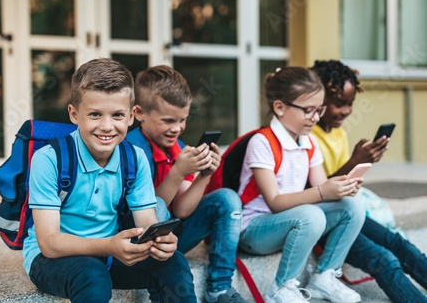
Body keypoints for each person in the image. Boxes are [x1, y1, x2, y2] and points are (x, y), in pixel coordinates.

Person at [22, 58, 197, 303]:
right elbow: (50, 243)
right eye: (95, 114)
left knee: (173, 260)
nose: (106, 126)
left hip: (111, 250)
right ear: (74, 114)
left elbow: (147, 223)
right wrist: (109, 246)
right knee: (92, 274)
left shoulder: (134, 159)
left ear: (131, 116)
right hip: (52, 259)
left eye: (117, 115)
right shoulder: (49, 159)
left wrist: (162, 242)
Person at [237, 66, 366, 303]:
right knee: (311, 215)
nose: (316, 117)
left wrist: (341, 189)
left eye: (320, 110)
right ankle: (280, 288)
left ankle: (324, 277)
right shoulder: (262, 142)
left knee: (352, 207)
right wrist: (321, 191)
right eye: (308, 110)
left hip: (293, 222)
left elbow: (322, 190)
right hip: (254, 230)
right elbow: (275, 203)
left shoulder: (309, 141)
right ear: (280, 107)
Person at [126, 65, 246, 303]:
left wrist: (204, 175)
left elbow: (181, 210)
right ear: (139, 113)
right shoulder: (131, 149)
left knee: (227, 198)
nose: (177, 128)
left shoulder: (177, 147)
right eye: (168, 120)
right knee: (157, 205)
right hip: (135, 240)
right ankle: (159, 285)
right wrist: (177, 172)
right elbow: (148, 209)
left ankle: (219, 288)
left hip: (170, 239)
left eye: (183, 120)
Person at [311, 59, 427, 303]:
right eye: (338, 104)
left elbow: (344, 182)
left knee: (399, 243)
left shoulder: (338, 133)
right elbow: (316, 192)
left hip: (346, 211)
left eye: (350, 104)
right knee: (383, 259)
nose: (346, 110)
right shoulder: (309, 136)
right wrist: (355, 161)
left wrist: (362, 163)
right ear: (318, 100)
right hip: (325, 220)